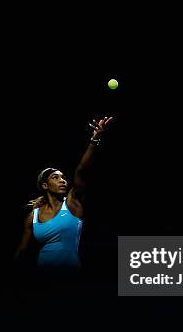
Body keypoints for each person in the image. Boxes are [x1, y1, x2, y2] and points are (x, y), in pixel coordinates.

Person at [14, 116, 114, 271]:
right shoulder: (32, 216)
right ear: (45, 185)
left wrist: (95, 139)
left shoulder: (72, 203)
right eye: (56, 178)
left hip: (71, 281)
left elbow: (82, 169)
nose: (63, 180)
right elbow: (22, 251)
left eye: (63, 177)